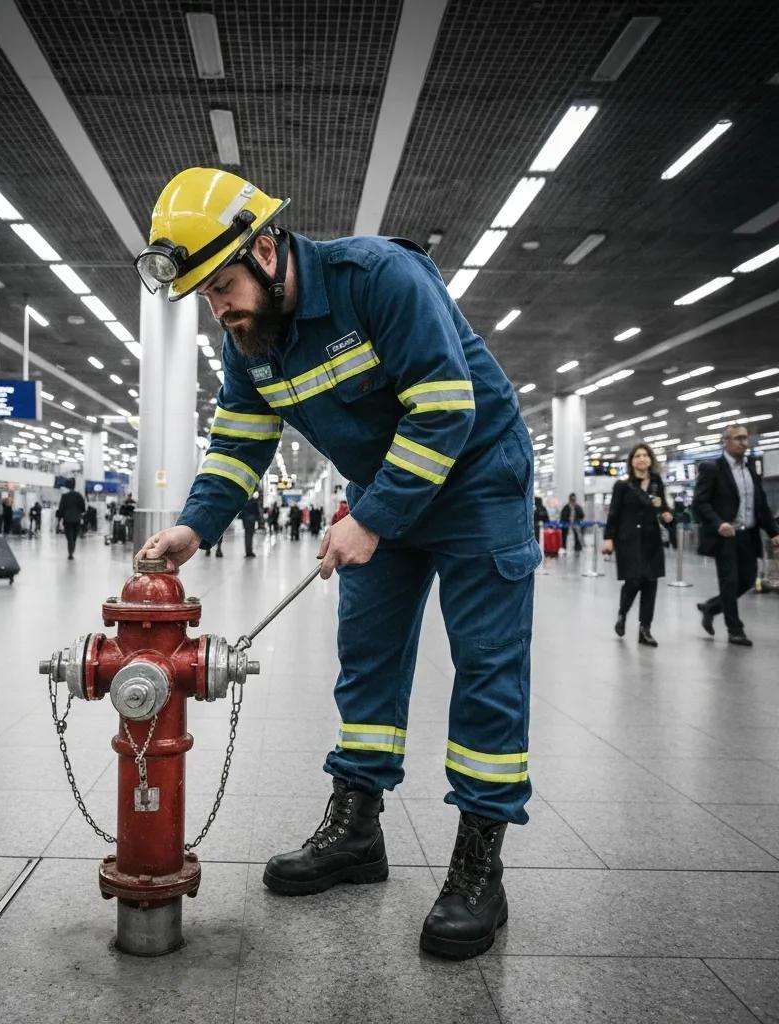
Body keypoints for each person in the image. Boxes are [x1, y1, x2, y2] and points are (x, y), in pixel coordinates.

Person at [134, 167, 539, 960]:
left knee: (488, 668)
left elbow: (447, 403)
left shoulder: (379, 277)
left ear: (266, 247)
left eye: (221, 285)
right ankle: (357, 830)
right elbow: (241, 440)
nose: (219, 308)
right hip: (382, 486)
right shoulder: (248, 335)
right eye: (206, 297)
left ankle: (479, 865)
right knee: (367, 662)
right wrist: (195, 527)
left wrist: (375, 518)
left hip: (478, 482)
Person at [693, 423, 779, 646]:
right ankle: (735, 629)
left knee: (748, 579)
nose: (743, 442)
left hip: (748, 536)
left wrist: (773, 532)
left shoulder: (750, 468)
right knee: (729, 583)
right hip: (726, 537)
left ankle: (712, 607)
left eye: (745, 438)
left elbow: (760, 504)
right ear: (726, 441)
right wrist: (718, 523)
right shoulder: (712, 468)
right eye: (738, 438)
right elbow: (700, 503)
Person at [602, 443, 673, 647]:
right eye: (637, 456)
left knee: (650, 583)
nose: (641, 459)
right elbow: (614, 513)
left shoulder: (657, 482)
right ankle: (622, 614)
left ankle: (645, 630)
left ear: (650, 459)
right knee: (633, 581)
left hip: (652, 540)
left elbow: (664, 509)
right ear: (632, 461)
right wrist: (609, 538)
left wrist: (667, 514)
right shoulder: (622, 485)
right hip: (628, 541)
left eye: (645, 455)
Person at [56, 479, 86, 559]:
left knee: (69, 536)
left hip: (67, 519)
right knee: (74, 536)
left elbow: (61, 508)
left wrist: (59, 520)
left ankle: (70, 551)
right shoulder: (79, 495)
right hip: (76, 519)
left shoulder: (64, 496)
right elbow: (83, 508)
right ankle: (71, 551)